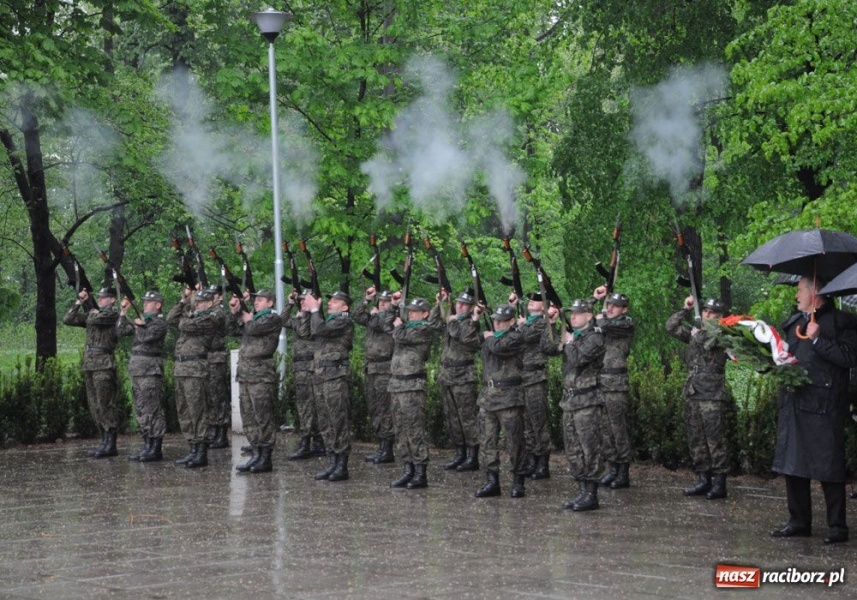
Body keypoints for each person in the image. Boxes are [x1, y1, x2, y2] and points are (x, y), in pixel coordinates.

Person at [770, 276, 857, 544]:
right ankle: (799, 521)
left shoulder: (842, 322)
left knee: (829, 466)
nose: (796, 295)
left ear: (815, 292)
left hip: (825, 406)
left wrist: (819, 339)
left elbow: (850, 357)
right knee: (793, 464)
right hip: (795, 403)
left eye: (800, 290)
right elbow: (787, 356)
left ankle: (837, 526)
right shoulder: (794, 322)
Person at [542, 298, 606, 511]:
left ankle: (591, 494)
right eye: (572, 313)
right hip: (570, 401)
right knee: (573, 449)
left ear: (589, 316)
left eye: (578, 313)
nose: (573, 317)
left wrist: (569, 342)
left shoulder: (595, 337)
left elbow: (578, 359)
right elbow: (547, 348)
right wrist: (551, 324)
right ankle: (581, 490)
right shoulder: (573, 336)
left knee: (590, 448)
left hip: (587, 401)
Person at [665, 296, 730, 500]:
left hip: (712, 393)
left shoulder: (724, 333)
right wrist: (686, 309)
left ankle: (719, 483)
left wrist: (697, 332)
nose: (708, 315)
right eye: (705, 311)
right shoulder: (696, 332)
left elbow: (708, 342)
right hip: (694, 390)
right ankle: (703, 478)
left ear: (720, 316)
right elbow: (670, 326)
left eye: (713, 313)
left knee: (714, 438)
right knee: (696, 437)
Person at [387, 296, 441, 489]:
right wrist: (393, 306)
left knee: (414, 429)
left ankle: (420, 472)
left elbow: (400, 336)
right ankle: (407, 468)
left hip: (412, 386)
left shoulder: (424, 329)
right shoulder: (405, 327)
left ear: (425, 314)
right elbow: (387, 325)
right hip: (397, 385)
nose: (410, 314)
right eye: (408, 310)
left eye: (414, 311)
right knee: (400, 430)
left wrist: (398, 325)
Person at [474, 304, 528, 499]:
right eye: (495, 320)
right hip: (488, 397)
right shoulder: (492, 337)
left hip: (509, 397)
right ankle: (492, 481)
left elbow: (499, 347)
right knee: (487, 441)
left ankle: (518, 481)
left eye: (501, 320)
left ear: (511, 321)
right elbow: (469, 340)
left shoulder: (516, 337)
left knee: (514, 442)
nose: (496, 323)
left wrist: (488, 336)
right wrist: (475, 319)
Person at [228, 289, 283, 474]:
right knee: (248, 415)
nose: (256, 302)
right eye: (255, 299)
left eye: (260, 299)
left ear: (270, 303)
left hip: (261, 375)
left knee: (263, 416)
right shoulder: (253, 318)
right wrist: (235, 311)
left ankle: (265, 457)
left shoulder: (272, 319)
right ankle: (256, 452)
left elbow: (253, 328)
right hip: (245, 374)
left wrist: (246, 314)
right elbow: (232, 330)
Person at [166, 287, 222, 468]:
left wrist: (188, 314)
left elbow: (184, 325)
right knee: (184, 411)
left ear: (210, 303)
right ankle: (192, 448)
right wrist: (183, 301)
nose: (196, 305)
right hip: (182, 368)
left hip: (196, 369)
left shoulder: (211, 318)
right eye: (195, 302)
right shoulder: (193, 316)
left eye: (200, 302)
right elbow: (171, 318)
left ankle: (201, 451)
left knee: (198, 410)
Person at [63, 287, 121, 458]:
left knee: (105, 404)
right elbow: (68, 319)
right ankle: (104, 440)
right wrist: (79, 302)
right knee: (94, 405)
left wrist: (92, 312)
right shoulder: (93, 315)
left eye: (104, 297)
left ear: (112, 299)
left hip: (103, 364)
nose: (101, 299)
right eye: (99, 297)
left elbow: (97, 319)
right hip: (89, 364)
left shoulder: (112, 314)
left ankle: (111, 444)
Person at [304, 290, 354, 482]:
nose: (330, 303)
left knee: (338, 420)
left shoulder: (343, 320)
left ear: (344, 306)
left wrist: (315, 310)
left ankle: (342, 464)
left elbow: (320, 330)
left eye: (335, 301)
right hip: (321, 376)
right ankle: (332, 460)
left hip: (335, 376)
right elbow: (310, 331)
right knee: (325, 421)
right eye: (330, 301)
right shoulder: (327, 321)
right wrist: (309, 312)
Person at [434, 287, 482, 472]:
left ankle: (473, 456)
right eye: (459, 303)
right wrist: (439, 304)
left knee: (467, 417)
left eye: (465, 304)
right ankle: (460, 453)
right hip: (447, 376)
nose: (460, 306)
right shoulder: (451, 320)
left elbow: (462, 336)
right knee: (452, 417)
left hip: (463, 377)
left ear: (471, 308)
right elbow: (432, 323)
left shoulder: (471, 324)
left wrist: (452, 319)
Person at [117, 291, 168, 462]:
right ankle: (147, 444)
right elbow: (120, 331)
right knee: (140, 408)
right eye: (144, 301)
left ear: (158, 305)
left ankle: (156, 447)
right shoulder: (143, 321)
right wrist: (123, 312)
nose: (145, 304)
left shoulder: (159, 323)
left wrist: (139, 325)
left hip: (150, 370)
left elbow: (146, 338)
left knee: (152, 409)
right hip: (137, 370)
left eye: (149, 302)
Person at [592, 288, 635, 489]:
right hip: (601, 381)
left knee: (619, 428)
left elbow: (603, 325)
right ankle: (612, 467)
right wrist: (595, 299)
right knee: (605, 429)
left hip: (616, 384)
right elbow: (584, 319)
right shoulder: (604, 323)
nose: (610, 309)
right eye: (609, 305)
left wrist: (599, 317)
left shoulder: (625, 324)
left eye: (615, 306)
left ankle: (623, 471)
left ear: (624, 309)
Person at [509, 292, 552, 480]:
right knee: (526, 422)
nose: (532, 302)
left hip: (535, 377)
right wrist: (512, 306)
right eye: (531, 299)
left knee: (538, 421)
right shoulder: (525, 321)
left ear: (544, 306)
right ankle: (532, 458)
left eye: (537, 300)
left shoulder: (542, 322)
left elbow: (524, 336)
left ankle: (543, 463)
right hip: (522, 376)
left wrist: (521, 324)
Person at [352, 287, 396, 464]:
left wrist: (377, 313)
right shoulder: (374, 317)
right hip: (371, 368)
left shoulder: (390, 318)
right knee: (374, 408)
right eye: (380, 301)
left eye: (386, 301)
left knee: (385, 409)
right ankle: (381, 445)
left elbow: (380, 324)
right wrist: (366, 299)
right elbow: (356, 315)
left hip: (385, 368)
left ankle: (387, 448)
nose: (382, 304)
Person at [282, 288, 324, 460]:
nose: (302, 302)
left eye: (304, 300)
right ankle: (314, 441)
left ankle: (310, 443)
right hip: (300, 369)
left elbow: (305, 332)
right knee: (304, 406)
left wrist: (307, 312)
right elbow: (282, 321)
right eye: (301, 300)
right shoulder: (301, 318)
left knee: (310, 407)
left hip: (310, 369)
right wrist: (290, 304)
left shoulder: (315, 318)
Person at [206, 285, 231, 450]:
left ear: (220, 297)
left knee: (218, 396)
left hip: (217, 358)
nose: (210, 297)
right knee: (210, 396)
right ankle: (213, 430)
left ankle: (221, 433)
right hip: (207, 357)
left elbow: (210, 322)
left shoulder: (219, 312)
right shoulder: (207, 311)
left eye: (213, 295)